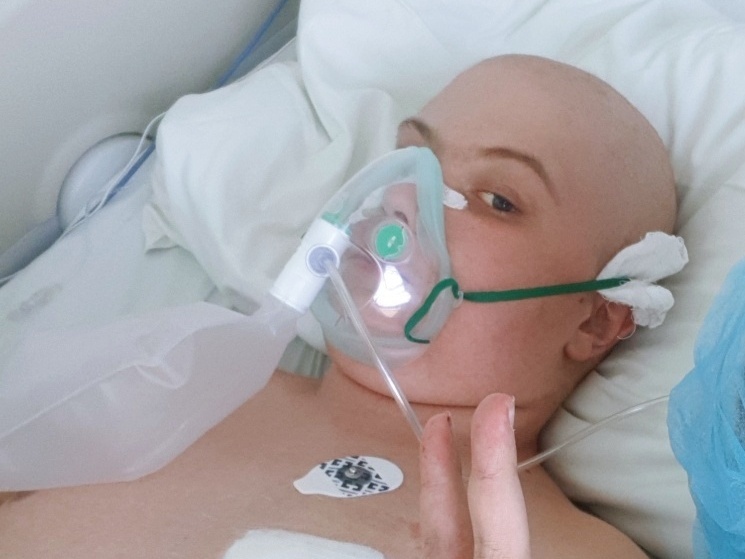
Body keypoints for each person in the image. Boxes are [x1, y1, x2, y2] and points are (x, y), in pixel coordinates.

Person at [0, 54, 676, 558]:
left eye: (498, 200)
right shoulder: (172, 377)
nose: (402, 197)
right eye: (410, 158)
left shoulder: (570, 549)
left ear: (595, 319)